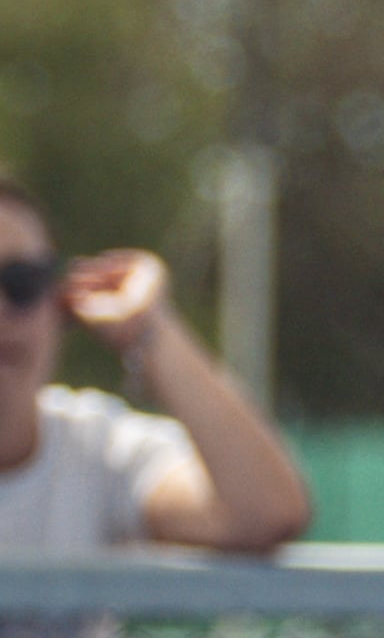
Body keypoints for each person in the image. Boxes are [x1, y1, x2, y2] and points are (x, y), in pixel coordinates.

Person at [0, 175, 309, 558]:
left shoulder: (96, 450)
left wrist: (149, 326)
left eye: (21, 282)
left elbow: (265, 512)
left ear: (59, 302)